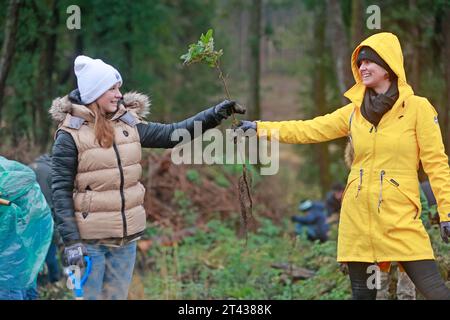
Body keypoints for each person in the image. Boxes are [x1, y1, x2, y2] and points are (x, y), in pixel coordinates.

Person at [237, 32, 450, 300]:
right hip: (358, 220)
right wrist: (259, 128)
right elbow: (308, 129)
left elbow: (437, 164)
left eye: (369, 62)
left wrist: (447, 213)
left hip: (399, 218)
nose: (362, 68)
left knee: (436, 291)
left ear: (389, 66)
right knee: (363, 295)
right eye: (359, 63)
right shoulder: (353, 112)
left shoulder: (418, 109)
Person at [50, 55, 245, 300]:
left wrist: (214, 115)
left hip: (126, 242)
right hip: (90, 245)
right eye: (112, 88)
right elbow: (60, 191)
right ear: (94, 93)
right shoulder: (70, 135)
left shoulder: (127, 124)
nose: (119, 94)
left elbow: (171, 134)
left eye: (118, 87)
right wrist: (71, 243)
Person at [0, 156, 53, 300]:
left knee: (11, 285)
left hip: (10, 257)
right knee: (26, 282)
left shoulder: (8, 178)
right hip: (25, 250)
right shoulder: (13, 169)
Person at [29, 154, 63, 285]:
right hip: (45, 223)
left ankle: (40, 283)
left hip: (28, 224)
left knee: (33, 258)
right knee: (49, 255)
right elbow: (53, 206)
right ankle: (54, 282)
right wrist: (58, 236)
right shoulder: (51, 172)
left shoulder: (30, 167)